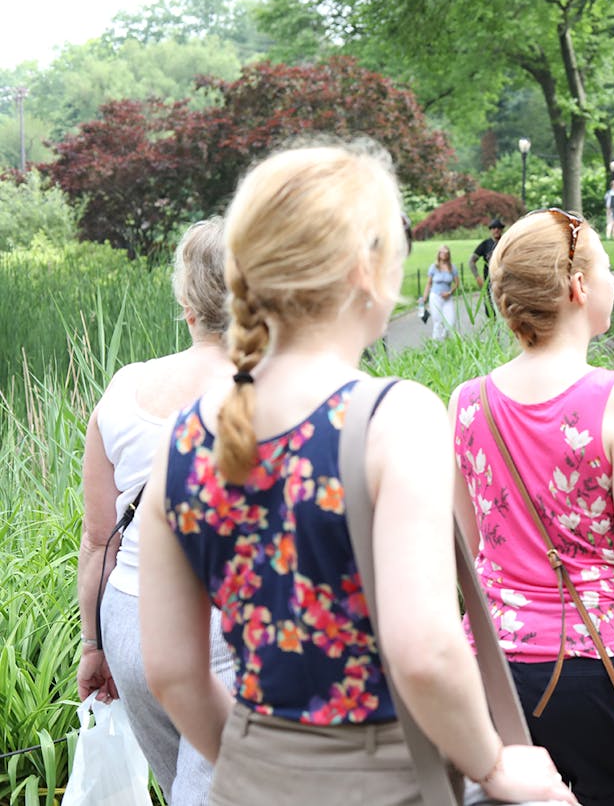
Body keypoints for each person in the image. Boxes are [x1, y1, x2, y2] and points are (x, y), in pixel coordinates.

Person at [136, 143, 575, 806]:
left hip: (244, 781)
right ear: (365, 270)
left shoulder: (181, 441)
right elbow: (423, 652)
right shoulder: (393, 418)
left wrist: (267, 763)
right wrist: (494, 765)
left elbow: (170, 672)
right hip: (386, 778)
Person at [449, 208, 614, 806]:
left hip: (493, 668)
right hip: (604, 667)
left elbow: (473, 550)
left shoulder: (467, 403)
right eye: (605, 267)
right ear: (577, 287)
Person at [77, 218, 237, 806]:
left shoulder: (124, 387)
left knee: (181, 790)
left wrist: (94, 646)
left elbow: (99, 541)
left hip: (128, 622)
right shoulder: (275, 394)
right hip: (221, 629)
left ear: (185, 299)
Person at [420, 244, 459, 341]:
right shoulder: (434, 267)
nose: (444, 254)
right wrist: (424, 298)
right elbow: (429, 283)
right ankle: (436, 344)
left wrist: (450, 292)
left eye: (446, 253)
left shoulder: (452, 268)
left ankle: (444, 339)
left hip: (447, 298)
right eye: (442, 252)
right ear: (439, 254)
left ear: (448, 255)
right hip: (435, 297)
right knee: (437, 322)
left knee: (451, 322)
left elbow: (457, 283)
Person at [472, 217, 506, 317]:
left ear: (502, 229)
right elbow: (471, 261)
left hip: (505, 282)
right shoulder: (485, 244)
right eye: (494, 228)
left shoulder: (506, 242)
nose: (496, 230)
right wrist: (477, 277)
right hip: (489, 282)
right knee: (491, 311)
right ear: (491, 230)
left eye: (499, 228)